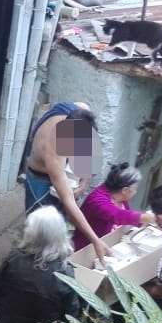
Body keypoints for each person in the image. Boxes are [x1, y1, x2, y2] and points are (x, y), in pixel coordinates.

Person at [24, 101, 111, 264]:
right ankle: (34, 264)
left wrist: (84, 182)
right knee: (41, 232)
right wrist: (95, 240)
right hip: (40, 181)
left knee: (60, 225)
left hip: (59, 174)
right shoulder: (54, 149)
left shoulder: (79, 111)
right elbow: (69, 202)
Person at [72, 162, 156, 251]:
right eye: (135, 189)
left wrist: (141, 222)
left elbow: (126, 217)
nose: (136, 191)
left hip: (112, 244)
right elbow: (117, 215)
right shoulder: (97, 201)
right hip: (88, 248)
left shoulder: (120, 197)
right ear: (125, 190)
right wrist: (146, 217)